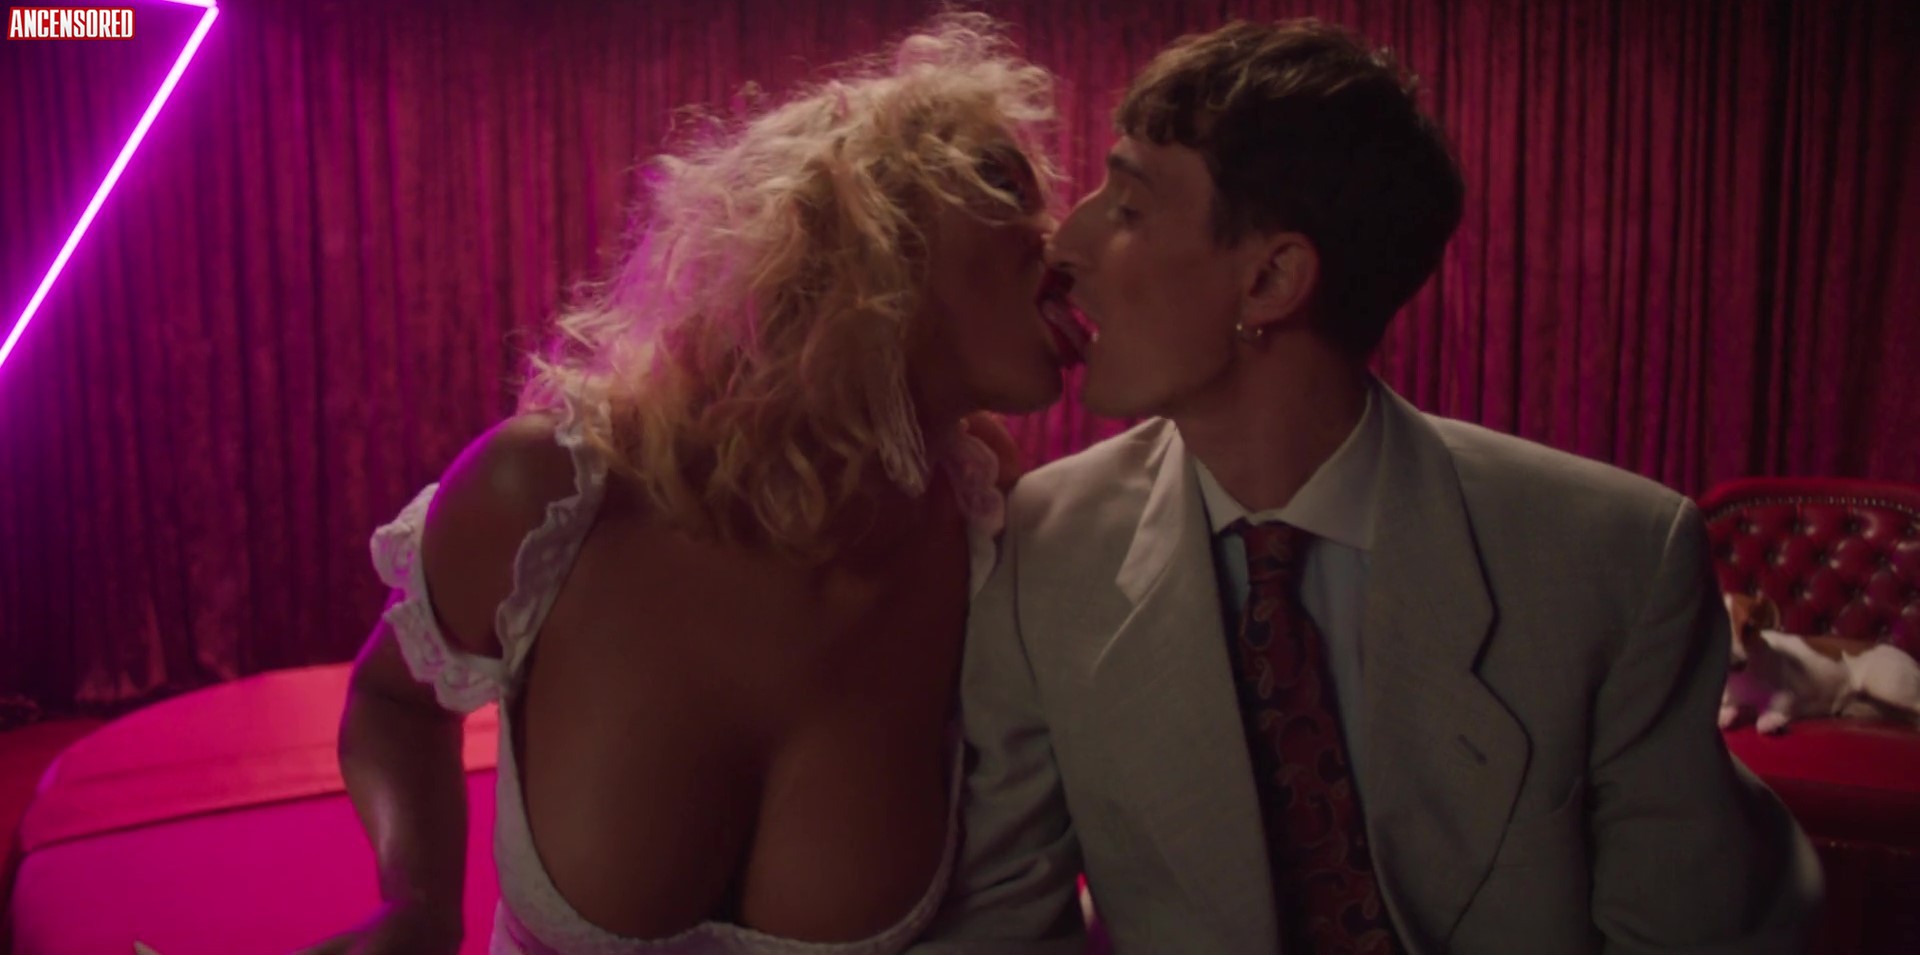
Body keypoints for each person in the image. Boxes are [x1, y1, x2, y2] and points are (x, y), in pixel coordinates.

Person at [919, 19, 1822, 955]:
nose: (1062, 245)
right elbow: (1003, 922)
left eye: (1130, 206)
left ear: (1271, 280)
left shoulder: (1616, 558)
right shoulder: (1042, 546)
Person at [302, 14, 1072, 955]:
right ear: (871, 259)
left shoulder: (986, 528)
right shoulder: (552, 493)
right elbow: (392, 701)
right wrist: (417, 906)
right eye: (1008, 201)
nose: (1063, 247)